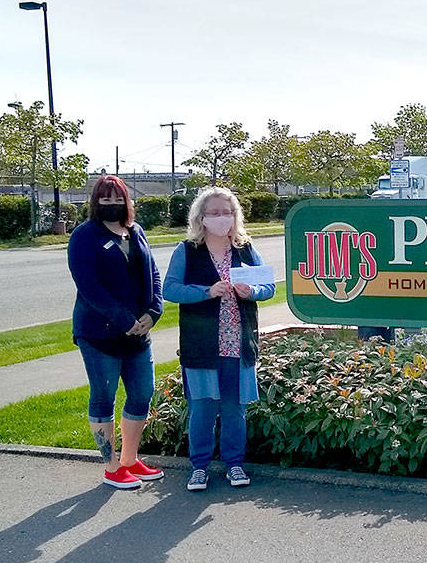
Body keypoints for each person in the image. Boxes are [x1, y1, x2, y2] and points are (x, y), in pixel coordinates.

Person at [163, 187, 277, 492]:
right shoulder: (186, 250)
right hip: (202, 344)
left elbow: (268, 286)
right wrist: (206, 292)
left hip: (237, 345)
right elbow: (170, 290)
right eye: (214, 213)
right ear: (201, 218)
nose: (221, 218)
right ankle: (199, 467)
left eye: (227, 212)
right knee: (202, 407)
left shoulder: (246, 249)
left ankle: (234, 463)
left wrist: (252, 292)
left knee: (234, 408)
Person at [67, 175, 163, 490]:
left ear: (127, 201)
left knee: (141, 393)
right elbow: (90, 287)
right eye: (105, 199)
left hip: (138, 333)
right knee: (104, 396)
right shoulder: (85, 236)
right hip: (100, 335)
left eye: (117, 198)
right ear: (95, 202)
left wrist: (153, 312)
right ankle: (111, 468)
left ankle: (130, 460)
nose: (112, 204)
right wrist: (124, 319)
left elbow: (153, 274)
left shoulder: (136, 232)